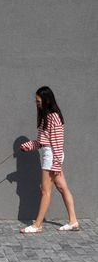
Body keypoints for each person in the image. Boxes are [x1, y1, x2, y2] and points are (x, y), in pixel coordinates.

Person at [19, 86, 79, 233]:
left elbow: (58, 143)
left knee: (45, 191)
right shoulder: (46, 117)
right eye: (36, 101)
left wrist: (56, 164)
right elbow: (41, 142)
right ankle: (73, 221)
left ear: (46, 100)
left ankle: (37, 225)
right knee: (62, 188)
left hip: (52, 156)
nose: (37, 103)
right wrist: (27, 146)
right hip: (49, 154)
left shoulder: (54, 117)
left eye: (38, 101)